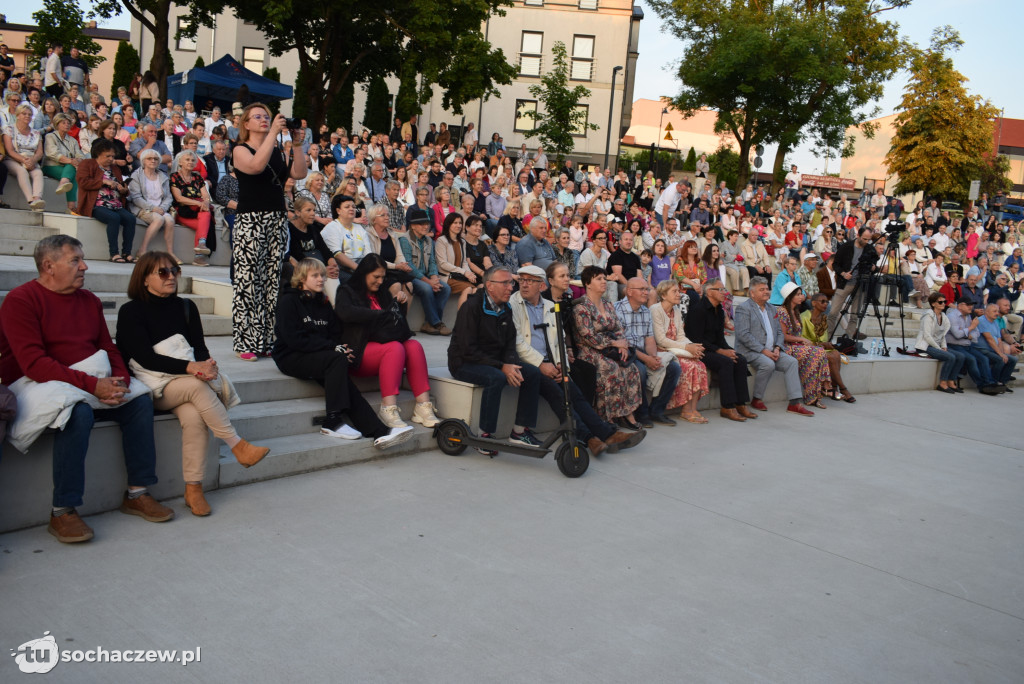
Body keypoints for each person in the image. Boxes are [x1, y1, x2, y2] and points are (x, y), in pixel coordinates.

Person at [0, 235, 174, 542]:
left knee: (139, 402)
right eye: (75, 260)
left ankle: (138, 492)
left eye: (82, 258)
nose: (84, 266)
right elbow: (34, 364)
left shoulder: (89, 300)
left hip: (87, 378)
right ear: (48, 266)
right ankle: (62, 511)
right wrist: (94, 386)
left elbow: (107, 346)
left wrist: (119, 380)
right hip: (36, 382)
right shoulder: (20, 300)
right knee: (77, 413)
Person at [116, 253, 269, 515]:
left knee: (196, 416)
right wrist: (192, 369)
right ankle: (237, 445)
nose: (171, 276)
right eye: (162, 273)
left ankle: (193, 488)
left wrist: (206, 366)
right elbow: (145, 358)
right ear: (144, 279)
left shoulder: (186, 307)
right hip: (154, 384)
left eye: (174, 270)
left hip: (184, 381)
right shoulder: (131, 311)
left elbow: (198, 347)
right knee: (197, 387)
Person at [273, 258, 413, 447]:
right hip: (290, 355)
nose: (321, 279)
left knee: (342, 375)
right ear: (301, 278)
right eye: (315, 275)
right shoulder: (289, 301)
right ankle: (332, 420)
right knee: (335, 360)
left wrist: (339, 347)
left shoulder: (322, 303)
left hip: (319, 355)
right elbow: (293, 339)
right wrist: (331, 348)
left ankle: (379, 431)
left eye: (322, 275)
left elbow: (335, 333)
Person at [508, 265, 644, 456]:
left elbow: (560, 340)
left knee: (575, 393)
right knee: (559, 395)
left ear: (541, 286)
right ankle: (589, 438)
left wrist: (561, 365)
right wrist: (541, 364)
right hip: (531, 364)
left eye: (530, 281)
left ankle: (607, 434)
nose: (524, 285)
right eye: (521, 280)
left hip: (552, 363)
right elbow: (518, 342)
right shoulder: (513, 304)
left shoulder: (549, 306)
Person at [231, 104, 307, 361]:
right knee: (247, 280)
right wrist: (274, 131)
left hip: (276, 218)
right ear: (246, 124)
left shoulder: (276, 149)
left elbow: (299, 173)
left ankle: (265, 340)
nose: (264, 119)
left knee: (271, 280)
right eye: (258, 117)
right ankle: (245, 342)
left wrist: (296, 145)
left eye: (267, 116)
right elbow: (254, 166)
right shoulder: (240, 149)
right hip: (250, 218)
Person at [334, 254, 441, 429]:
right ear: (363, 273)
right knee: (395, 348)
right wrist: (377, 314)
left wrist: (399, 302)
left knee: (414, 346)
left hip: (383, 345)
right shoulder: (347, 291)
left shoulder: (382, 291)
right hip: (359, 351)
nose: (380, 281)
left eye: (383, 277)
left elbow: (392, 318)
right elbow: (345, 313)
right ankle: (388, 408)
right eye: (376, 276)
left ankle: (423, 406)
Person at [448, 266, 544, 452]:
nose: (511, 287)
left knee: (532, 372)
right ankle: (484, 435)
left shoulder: (506, 308)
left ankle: (519, 431)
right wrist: (502, 366)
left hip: (493, 361)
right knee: (496, 377)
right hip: (464, 363)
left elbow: (510, 343)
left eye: (511, 283)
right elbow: (468, 350)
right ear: (490, 286)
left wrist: (510, 363)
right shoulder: (471, 307)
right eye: (506, 283)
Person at [572, 266, 643, 427]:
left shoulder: (607, 303)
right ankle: (607, 417)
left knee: (630, 369)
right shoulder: (581, 307)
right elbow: (588, 336)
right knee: (611, 369)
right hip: (590, 351)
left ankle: (626, 414)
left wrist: (623, 345)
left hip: (611, 349)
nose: (604, 282)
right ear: (588, 284)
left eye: (604, 278)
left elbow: (618, 327)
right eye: (599, 279)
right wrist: (614, 343)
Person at [734, 277, 814, 416]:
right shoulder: (743, 308)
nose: (766, 292)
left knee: (792, 362)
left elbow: (779, 332)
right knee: (768, 364)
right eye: (762, 289)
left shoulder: (772, 308)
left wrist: (777, 347)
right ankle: (757, 398)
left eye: (767, 289)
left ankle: (795, 403)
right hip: (751, 351)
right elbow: (743, 335)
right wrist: (764, 351)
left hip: (772, 349)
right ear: (752, 293)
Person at [683, 278, 758, 421]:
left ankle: (740, 404)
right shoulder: (698, 310)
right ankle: (727, 407)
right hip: (699, 350)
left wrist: (729, 350)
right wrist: (721, 351)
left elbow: (720, 338)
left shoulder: (719, 310)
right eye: (721, 289)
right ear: (709, 292)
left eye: (724, 289)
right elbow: (696, 339)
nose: (724, 293)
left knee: (740, 359)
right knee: (726, 362)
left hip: (714, 348)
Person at [614, 276, 682, 427]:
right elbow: (626, 345)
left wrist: (653, 358)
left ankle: (657, 411)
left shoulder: (645, 311)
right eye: (642, 289)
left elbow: (649, 339)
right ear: (629, 292)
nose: (647, 292)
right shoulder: (617, 309)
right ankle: (642, 413)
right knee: (641, 370)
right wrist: (647, 360)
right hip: (626, 353)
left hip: (644, 352)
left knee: (674, 368)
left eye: (647, 289)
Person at [650, 280, 710, 423]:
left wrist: (693, 346)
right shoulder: (655, 310)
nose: (679, 294)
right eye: (674, 292)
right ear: (663, 295)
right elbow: (661, 340)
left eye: (678, 291)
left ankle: (692, 409)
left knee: (700, 364)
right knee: (689, 367)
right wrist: (686, 348)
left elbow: (681, 335)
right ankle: (685, 410)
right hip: (662, 350)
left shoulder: (676, 310)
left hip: (676, 349)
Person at [76, 138, 138, 262]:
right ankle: (114, 253)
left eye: (112, 156)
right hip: (96, 204)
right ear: (98, 154)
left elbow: (123, 189)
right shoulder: (87, 164)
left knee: (130, 219)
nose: (111, 159)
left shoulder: (115, 168)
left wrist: (123, 189)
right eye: (108, 156)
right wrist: (103, 181)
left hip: (115, 203)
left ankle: (126, 253)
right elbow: (83, 182)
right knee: (113, 218)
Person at [776, 283, 832, 408]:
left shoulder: (796, 311)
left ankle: (813, 397)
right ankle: (825, 384)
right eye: (798, 294)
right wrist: (801, 339)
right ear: (790, 296)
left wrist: (801, 341)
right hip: (786, 347)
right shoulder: (782, 311)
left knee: (816, 355)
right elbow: (783, 336)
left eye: (801, 294)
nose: (802, 296)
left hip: (796, 346)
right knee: (818, 352)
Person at [399, 208, 452, 335]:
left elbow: (433, 261)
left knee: (445, 288)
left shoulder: (429, 240)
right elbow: (409, 266)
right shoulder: (405, 240)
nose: (426, 226)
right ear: (412, 226)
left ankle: (429, 323)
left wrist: (434, 277)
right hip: (411, 277)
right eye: (421, 224)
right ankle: (437, 323)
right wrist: (429, 282)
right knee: (427, 288)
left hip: (427, 276)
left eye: (427, 223)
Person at [800, 292, 856, 402]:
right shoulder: (804, 317)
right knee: (831, 356)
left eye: (827, 302)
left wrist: (826, 344)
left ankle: (834, 387)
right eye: (822, 301)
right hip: (808, 348)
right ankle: (843, 388)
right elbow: (802, 340)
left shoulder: (824, 318)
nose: (826, 304)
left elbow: (824, 339)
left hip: (820, 346)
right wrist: (821, 345)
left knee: (835, 354)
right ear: (814, 303)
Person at [945, 297, 1004, 395]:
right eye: (968, 305)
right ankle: (982, 385)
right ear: (960, 305)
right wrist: (971, 328)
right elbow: (957, 335)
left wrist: (967, 334)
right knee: (972, 359)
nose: (971, 307)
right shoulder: (952, 316)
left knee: (983, 359)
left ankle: (989, 383)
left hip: (967, 346)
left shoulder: (968, 316)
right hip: (954, 345)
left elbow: (976, 334)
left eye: (971, 305)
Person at [827, 227, 875, 342]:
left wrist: (874, 268)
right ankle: (827, 339)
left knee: (854, 315)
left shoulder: (869, 248)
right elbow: (835, 264)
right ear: (858, 235)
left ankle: (848, 340)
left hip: (860, 284)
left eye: (868, 239)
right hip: (845, 283)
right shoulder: (846, 246)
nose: (866, 242)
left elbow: (873, 265)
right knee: (833, 312)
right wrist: (843, 273)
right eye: (864, 239)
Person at [127, 148, 176, 257]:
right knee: (159, 219)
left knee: (170, 220)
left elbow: (168, 197)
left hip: (160, 209)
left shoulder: (163, 176)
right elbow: (136, 197)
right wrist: (153, 208)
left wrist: (162, 208)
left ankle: (170, 253)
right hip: (143, 208)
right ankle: (142, 250)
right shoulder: (136, 175)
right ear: (143, 161)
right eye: (149, 158)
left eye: (155, 159)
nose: (153, 161)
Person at [169, 150, 213, 265]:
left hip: (198, 213)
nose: (190, 162)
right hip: (182, 212)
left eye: (193, 160)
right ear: (180, 162)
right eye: (187, 160)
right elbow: (179, 198)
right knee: (205, 220)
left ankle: (201, 244)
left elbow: (205, 195)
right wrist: (199, 204)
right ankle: (199, 255)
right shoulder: (174, 176)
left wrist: (206, 202)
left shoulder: (197, 177)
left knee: (206, 214)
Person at [913, 292, 962, 393]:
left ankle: (951, 381)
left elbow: (943, 335)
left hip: (937, 345)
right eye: (940, 302)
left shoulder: (944, 316)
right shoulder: (928, 316)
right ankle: (943, 383)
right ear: (933, 303)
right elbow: (927, 336)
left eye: (944, 301)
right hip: (925, 345)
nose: (943, 304)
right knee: (950, 357)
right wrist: (939, 349)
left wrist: (943, 346)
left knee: (961, 356)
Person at [2, 103, 46, 210]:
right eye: (24, 114)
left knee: (38, 173)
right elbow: (9, 150)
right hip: (13, 159)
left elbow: (39, 152)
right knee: (21, 171)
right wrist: (23, 160)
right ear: (17, 115)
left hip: (31, 159)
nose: (27, 116)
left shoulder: (36, 133)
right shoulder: (9, 129)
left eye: (30, 114)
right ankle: (30, 200)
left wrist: (32, 160)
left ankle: (37, 199)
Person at [42, 112, 83, 213]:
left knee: (72, 171)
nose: (66, 125)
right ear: (57, 124)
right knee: (72, 170)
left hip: (68, 168)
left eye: (68, 123)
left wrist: (77, 161)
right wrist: (71, 161)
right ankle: (71, 206)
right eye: (63, 123)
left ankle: (64, 182)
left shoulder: (72, 140)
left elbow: (80, 155)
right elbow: (52, 154)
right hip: (51, 166)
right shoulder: (50, 136)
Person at [973, 302, 1017, 388]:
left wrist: (1002, 353)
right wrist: (1000, 354)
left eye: (997, 311)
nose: (997, 313)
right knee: (999, 359)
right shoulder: (981, 321)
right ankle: (994, 382)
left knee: (1012, 360)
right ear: (987, 312)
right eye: (994, 311)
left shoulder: (995, 322)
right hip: (982, 350)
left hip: (992, 349)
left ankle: (1002, 382)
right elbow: (989, 339)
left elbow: (999, 340)